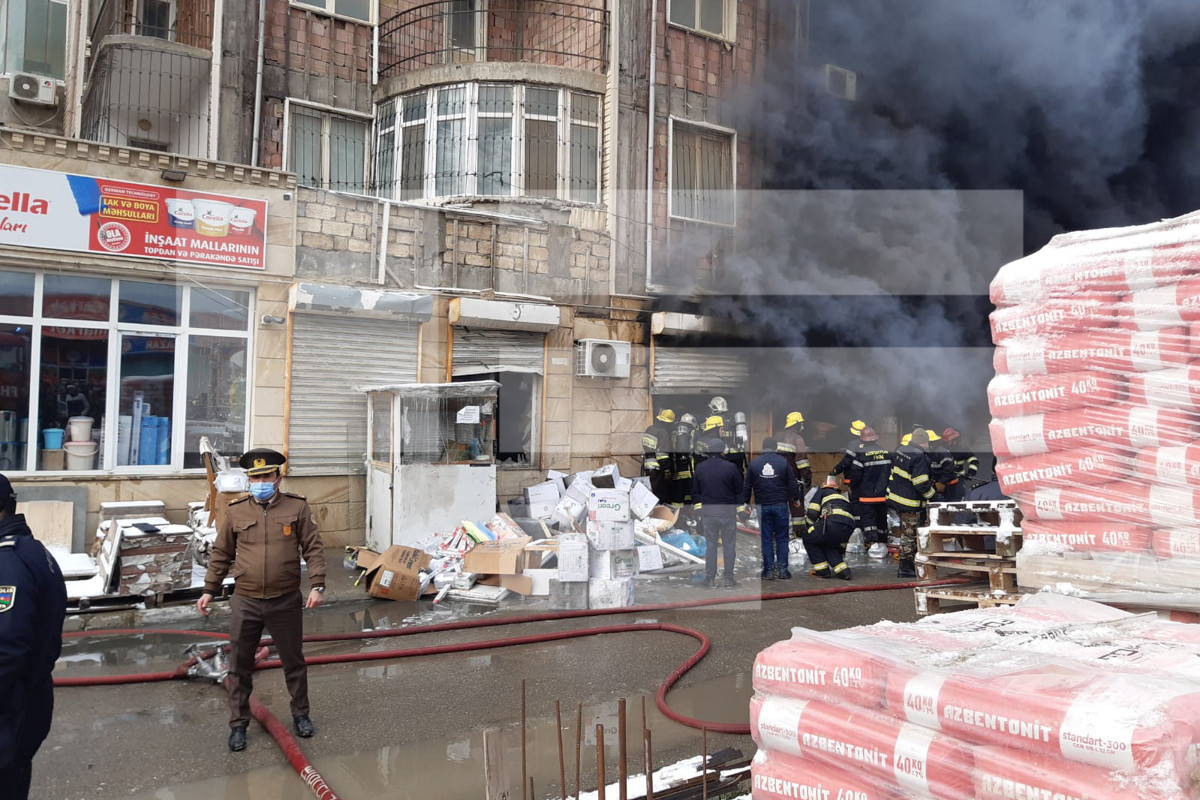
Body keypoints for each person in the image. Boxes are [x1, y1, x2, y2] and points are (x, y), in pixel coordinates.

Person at [197, 448, 326, 752]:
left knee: (293, 663)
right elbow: (222, 553)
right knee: (240, 666)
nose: (260, 482)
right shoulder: (237, 510)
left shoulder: (297, 508)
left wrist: (317, 585)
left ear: (278, 478)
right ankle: (238, 725)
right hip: (247, 600)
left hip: (285, 600)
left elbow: (313, 548)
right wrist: (208, 589)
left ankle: (301, 715)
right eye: (255, 477)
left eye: (266, 476)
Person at [0, 472, 66, 799]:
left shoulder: (8, 562)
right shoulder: (32, 550)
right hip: (25, 704)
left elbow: (7, 653)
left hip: (10, 712)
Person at [742, 437, 800, 580]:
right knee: (782, 538)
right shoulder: (783, 462)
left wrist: (745, 502)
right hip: (781, 505)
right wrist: (796, 498)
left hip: (763, 506)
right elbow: (792, 483)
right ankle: (783, 571)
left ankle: (768, 571)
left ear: (763, 447)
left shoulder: (754, 463)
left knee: (766, 539)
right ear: (776, 448)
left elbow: (747, 485)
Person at [692, 438, 743, 588]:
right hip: (727, 512)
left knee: (711, 546)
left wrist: (700, 511)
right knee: (729, 545)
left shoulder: (700, 468)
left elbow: (696, 492)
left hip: (709, 513)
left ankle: (710, 578)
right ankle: (728, 578)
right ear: (722, 451)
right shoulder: (731, 467)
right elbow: (738, 490)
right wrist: (740, 510)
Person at [886, 427, 936, 577]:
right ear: (924, 442)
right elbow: (920, 483)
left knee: (907, 533)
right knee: (909, 535)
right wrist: (933, 496)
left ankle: (909, 563)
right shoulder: (919, 457)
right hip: (910, 503)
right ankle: (905, 568)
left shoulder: (902, 450)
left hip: (897, 499)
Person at [804, 475, 857, 579]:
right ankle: (844, 572)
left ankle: (822, 571)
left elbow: (812, 512)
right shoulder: (843, 498)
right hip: (848, 527)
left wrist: (809, 526)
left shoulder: (822, 492)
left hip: (832, 522)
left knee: (808, 537)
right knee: (830, 545)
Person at [848, 427, 891, 545]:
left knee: (869, 520)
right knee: (882, 518)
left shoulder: (861, 455)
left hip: (867, 496)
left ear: (863, 440)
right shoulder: (885, 452)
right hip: (883, 495)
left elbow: (855, 476)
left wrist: (853, 487)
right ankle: (883, 541)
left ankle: (871, 543)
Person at [776, 411, 813, 539]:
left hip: (776, 479)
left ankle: (778, 533)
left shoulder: (777, 436)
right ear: (796, 424)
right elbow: (801, 461)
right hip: (793, 480)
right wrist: (807, 477)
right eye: (801, 424)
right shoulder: (798, 439)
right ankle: (798, 533)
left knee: (779, 506)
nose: (802, 427)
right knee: (796, 506)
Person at [641, 409, 674, 501]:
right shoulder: (663, 433)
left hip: (648, 465)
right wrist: (667, 469)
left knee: (649, 492)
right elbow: (662, 455)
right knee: (659, 493)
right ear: (667, 422)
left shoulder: (650, 429)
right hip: (658, 468)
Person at [667, 412, 697, 509]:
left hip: (676, 465)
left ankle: (678, 512)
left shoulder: (674, 430)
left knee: (678, 490)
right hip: (687, 465)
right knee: (687, 489)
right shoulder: (687, 431)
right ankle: (687, 510)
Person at [943, 427, 979, 501]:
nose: (948, 443)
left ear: (955, 440)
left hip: (958, 481)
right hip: (944, 483)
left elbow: (974, 461)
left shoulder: (962, 450)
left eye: (949, 441)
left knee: (958, 502)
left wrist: (970, 473)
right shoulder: (942, 451)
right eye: (947, 442)